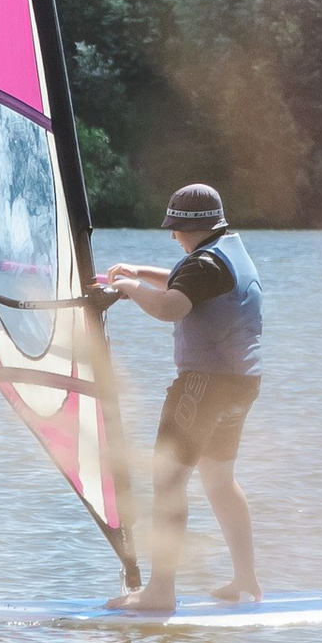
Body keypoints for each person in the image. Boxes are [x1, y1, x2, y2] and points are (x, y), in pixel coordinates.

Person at [94, 182, 263, 613]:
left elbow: (171, 305)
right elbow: (181, 278)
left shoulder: (205, 265)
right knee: (220, 481)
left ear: (196, 228)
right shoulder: (225, 254)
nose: (172, 236)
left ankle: (160, 592)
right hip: (241, 384)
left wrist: (130, 288)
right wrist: (136, 271)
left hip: (203, 385)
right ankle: (246, 578)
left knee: (168, 482)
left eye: (176, 229)